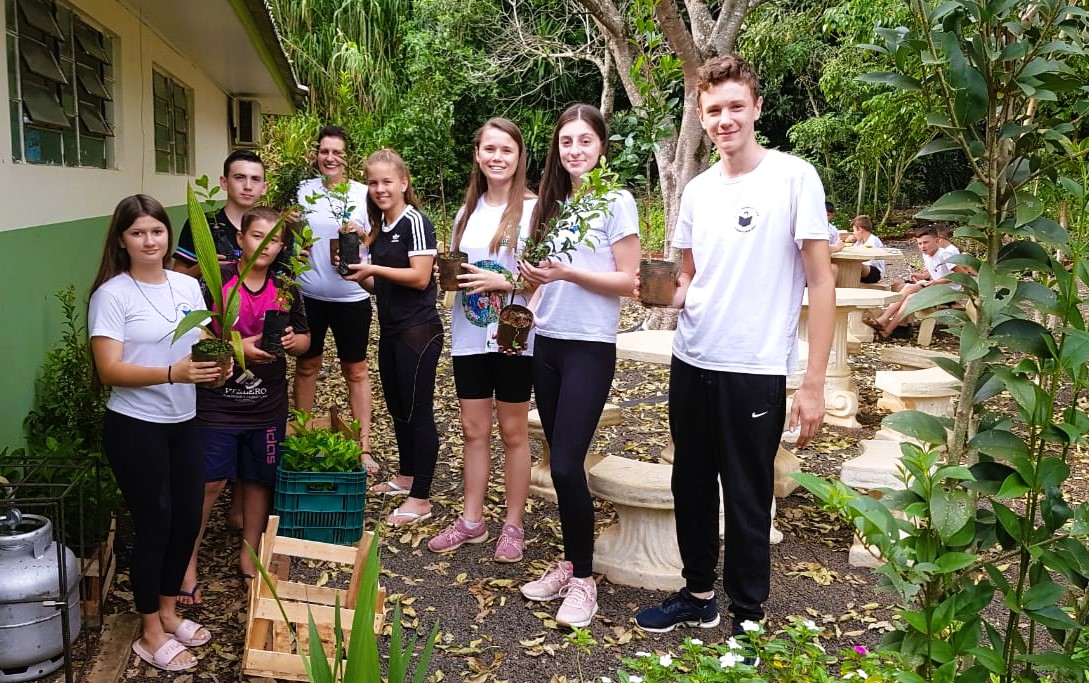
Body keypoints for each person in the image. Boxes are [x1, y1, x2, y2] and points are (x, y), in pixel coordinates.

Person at [633, 54, 834, 637]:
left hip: (755, 367)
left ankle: (747, 619)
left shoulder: (794, 178)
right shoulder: (696, 190)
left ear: (757, 109)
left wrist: (813, 382)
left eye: (735, 107)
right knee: (689, 484)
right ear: (701, 114)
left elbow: (820, 281)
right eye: (713, 109)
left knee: (747, 496)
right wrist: (662, 294)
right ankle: (698, 595)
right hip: (693, 359)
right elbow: (690, 276)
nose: (725, 120)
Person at [514, 104, 640, 628]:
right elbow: (535, 284)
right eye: (567, 142)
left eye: (585, 141)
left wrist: (567, 273)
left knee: (567, 464)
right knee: (558, 461)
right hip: (547, 343)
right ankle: (570, 563)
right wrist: (531, 277)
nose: (575, 150)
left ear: (601, 146)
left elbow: (629, 280)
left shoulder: (617, 200)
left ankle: (585, 582)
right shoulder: (550, 205)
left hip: (590, 345)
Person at [89, 195, 227, 671]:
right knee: (155, 525)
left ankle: (168, 612)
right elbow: (108, 369)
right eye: (138, 233)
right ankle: (148, 630)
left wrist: (223, 364)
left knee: (187, 520)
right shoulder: (112, 295)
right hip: (135, 427)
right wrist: (173, 373)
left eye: (157, 231)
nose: (149, 240)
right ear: (122, 240)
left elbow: (203, 342)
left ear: (169, 236)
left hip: (184, 423)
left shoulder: (186, 287)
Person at [180, 206, 310, 597]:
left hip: (266, 405)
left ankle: (251, 553)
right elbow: (194, 334)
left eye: (274, 240)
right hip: (217, 403)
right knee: (208, 482)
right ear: (240, 239)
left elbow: (305, 341)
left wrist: (291, 341)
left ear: (283, 247)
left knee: (259, 479)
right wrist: (237, 349)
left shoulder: (286, 289)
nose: (264, 246)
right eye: (257, 236)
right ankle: (186, 562)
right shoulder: (215, 282)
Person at [426, 118, 537, 563]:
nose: (497, 157)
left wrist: (501, 279)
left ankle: (513, 526)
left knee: (513, 431)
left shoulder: (533, 211)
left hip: (514, 336)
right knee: (473, 429)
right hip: (470, 334)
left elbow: (542, 280)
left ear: (518, 157)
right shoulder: (465, 213)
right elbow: (458, 272)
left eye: (506, 150)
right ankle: (472, 520)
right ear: (477, 154)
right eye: (489, 149)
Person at [342, 148, 443, 527]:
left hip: (419, 331)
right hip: (392, 328)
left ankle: (422, 498)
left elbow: (419, 277)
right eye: (372, 182)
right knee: (399, 409)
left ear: (403, 182)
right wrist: (359, 275)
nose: (380, 188)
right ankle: (406, 477)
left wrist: (374, 267)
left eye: (387, 181)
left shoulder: (414, 221)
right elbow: (378, 284)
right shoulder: (379, 226)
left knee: (419, 413)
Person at [292, 126, 377, 473]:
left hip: (352, 294)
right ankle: (302, 437)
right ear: (317, 155)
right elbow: (294, 236)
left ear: (347, 157)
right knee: (307, 365)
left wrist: (363, 236)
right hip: (310, 293)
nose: (329, 158)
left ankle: (364, 446)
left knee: (355, 370)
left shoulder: (362, 193)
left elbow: (377, 236)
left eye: (336, 152)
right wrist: (296, 238)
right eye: (324, 151)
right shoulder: (303, 191)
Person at [173, 150, 269, 276]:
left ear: (264, 188)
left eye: (255, 179)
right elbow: (177, 276)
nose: (248, 186)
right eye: (239, 177)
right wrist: (203, 268)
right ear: (224, 182)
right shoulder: (201, 225)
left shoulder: (272, 229)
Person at [865, 224, 963, 338]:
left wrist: (936, 282)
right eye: (920, 243)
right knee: (909, 288)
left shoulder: (945, 255)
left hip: (951, 292)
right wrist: (922, 276)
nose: (922, 246)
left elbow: (962, 275)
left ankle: (888, 330)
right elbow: (937, 271)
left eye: (926, 242)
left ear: (937, 241)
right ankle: (883, 319)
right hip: (936, 288)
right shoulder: (927, 254)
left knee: (911, 298)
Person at [851, 214, 885, 284]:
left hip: (875, 271)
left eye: (854, 230)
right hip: (862, 270)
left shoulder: (873, 240)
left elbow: (869, 260)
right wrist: (847, 243)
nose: (853, 233)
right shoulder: (859, 242)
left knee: (855, 266)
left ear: (860, 229)